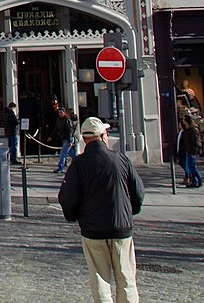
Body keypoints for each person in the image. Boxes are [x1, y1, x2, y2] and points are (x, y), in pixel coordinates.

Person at [58, 116, 145, 303]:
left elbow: (67, 198)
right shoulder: (119, 159)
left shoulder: (79, 164)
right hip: (121, 227)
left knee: (100, 282)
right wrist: (130, 212)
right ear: (103, 136)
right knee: (127, 280)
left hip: (93, 230)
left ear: (85, 139)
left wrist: (74, 216)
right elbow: (138, 192)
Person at [179, 114, 202, 187]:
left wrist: (194, 152)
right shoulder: (187, 130)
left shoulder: (193, 129)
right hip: (188, 151)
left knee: (192, 167)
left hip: (193, 152)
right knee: (189, 166)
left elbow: (196, 142)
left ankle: (199, 180)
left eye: (184, 119)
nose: (183, 121)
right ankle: (194, 182)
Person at [54, 107, 78, 174]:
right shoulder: (58, 120)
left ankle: (60, 167)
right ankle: (78, 163)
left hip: (68, 139)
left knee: (63, 153)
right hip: (64, 138)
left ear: (64, 113)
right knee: (71, 153)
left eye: (61, 112)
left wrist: (70, 141)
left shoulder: (67, 120)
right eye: (59, 112)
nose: (60, 114)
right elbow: (56, 129)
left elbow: (69, 131)